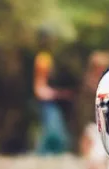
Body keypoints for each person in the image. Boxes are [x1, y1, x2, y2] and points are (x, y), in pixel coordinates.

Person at [33, 27, 74, 155]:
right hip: (46, 99)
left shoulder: (46, 57)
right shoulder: (43, 59)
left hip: (49, 99)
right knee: (53, 131)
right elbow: (40, 85)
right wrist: (59, 94)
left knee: (51, 129)